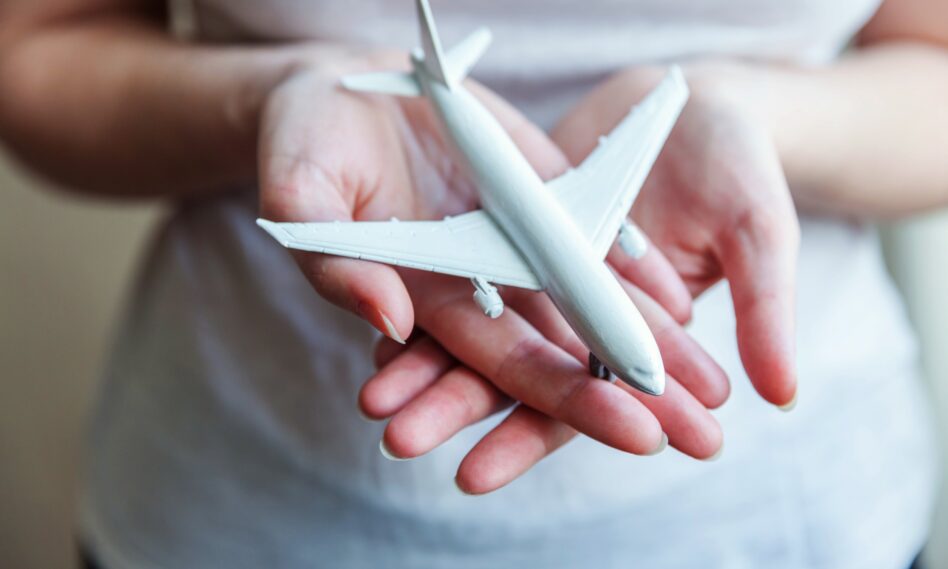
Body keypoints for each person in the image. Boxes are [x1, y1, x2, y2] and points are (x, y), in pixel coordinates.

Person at [1, 0, 946, 567]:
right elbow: (37, 46)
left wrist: (741, 106)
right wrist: (273, 94)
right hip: (234, 507)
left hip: (806, 522)